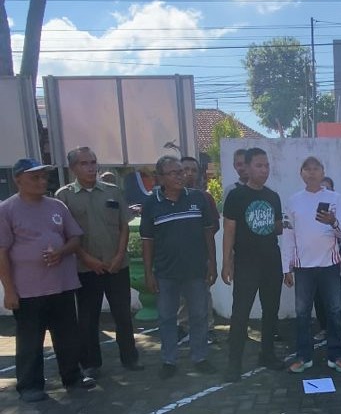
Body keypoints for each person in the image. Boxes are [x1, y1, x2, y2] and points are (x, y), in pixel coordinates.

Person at [0, 158, 95, 403]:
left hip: (62, 285)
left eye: (44, 177)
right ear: (18, 180)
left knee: (68, 337)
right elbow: (2, 252)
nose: (42, 181)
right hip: (28, 291)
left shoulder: (57, 206)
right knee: (30, 341)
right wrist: (9, 290)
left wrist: (61, 252)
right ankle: (30, 386)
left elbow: (75, 238)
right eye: (35, 177)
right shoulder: (6, 210)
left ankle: (72, 378)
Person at [56, 146, 142, 379]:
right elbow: (66, 234)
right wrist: (87, 259)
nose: (90, 167)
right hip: (86, 268)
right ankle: (91, 363)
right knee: (88, 319)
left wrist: (119, 256)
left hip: (117, 266)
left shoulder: (113, 191)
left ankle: (130, 358)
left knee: (123, 316)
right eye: (84, 163)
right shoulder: (64, 197)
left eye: (93, 162)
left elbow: (124, 225)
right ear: (73, 168)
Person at [140, 155, 217, 379]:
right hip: (166, 273)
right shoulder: (151, 204)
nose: (180, 176)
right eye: (173, 173)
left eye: (181, 171)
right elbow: (147, 241)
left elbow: (208, 233)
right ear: (160, 177)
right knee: (166, 317)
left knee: (199, 315)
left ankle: (200, 357)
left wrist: (212, 262)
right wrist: (148, 273)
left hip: (195, 271)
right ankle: (169, 360)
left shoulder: (197, 198)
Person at [282, 157, 341, 373]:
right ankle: (304, 357)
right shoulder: (293, 201)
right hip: (303, 268)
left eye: (316, 169)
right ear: (301, 173)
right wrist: (286, 268)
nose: (312, 172)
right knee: (302, 313)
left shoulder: (335, 198)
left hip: (329, 265)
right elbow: (288, 236)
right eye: (307, 169)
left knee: (334, 310)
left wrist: (333, 221)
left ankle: (336, 356)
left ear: (323, 172)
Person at [221, 146, 284, 381]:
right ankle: (233, 364)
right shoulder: (236, 196)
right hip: (246, 264)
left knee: (271, 311)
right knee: (240, 314)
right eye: (259, 165)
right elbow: (229, 231)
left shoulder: (273, 197)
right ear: (246, 168)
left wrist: (289, 224)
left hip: (271, 262)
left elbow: (277, 227)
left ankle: (267, 354)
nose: (264, 170)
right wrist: (226, 262)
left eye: (266, 165)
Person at [178, 156, 220, 344]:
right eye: (185, 169)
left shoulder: (205, 197)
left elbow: (214, 225)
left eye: (193, 170)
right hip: (178, 256)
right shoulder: (172, 197)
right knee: (182, 294)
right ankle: (183, 327)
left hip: (201, 254)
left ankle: (208, 328)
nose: (189, 174)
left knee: (203, 292)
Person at [314, 175, 341, 338]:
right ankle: (324, 328)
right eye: (321, 188)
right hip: (315, 262)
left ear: (333, 190)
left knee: (336, 297)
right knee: (318, 296)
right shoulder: (310, 212)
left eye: (328, 188)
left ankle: (340, 330)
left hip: (337, 261)